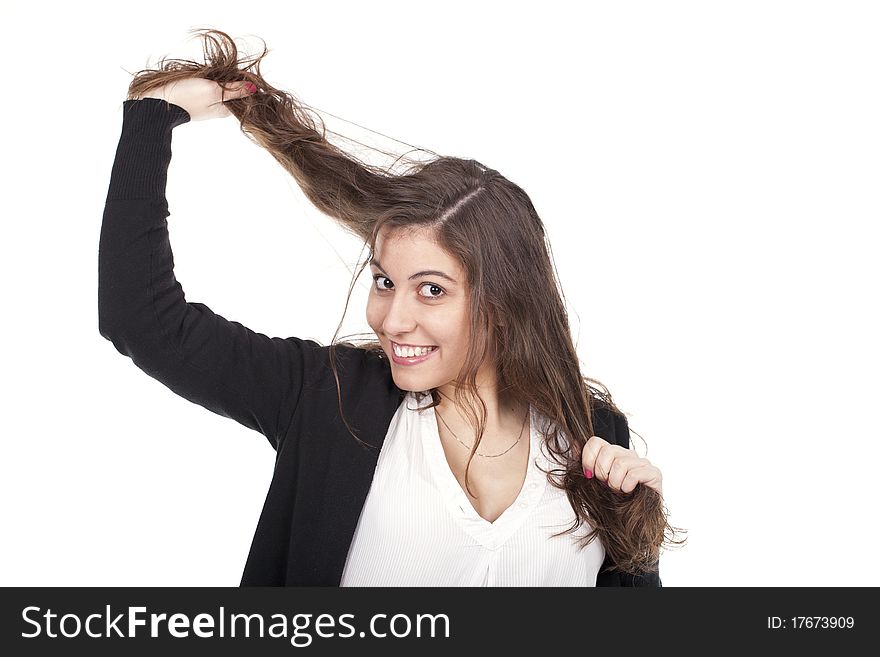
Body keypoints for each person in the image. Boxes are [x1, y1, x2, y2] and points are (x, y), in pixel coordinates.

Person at [99, 30, 683, 587]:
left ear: (506, 304)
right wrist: (155, 116)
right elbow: (141, 320)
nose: (391, 319)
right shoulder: (325, 399)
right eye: (384, 281)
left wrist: (639, 537)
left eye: (432, 289)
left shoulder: (593, 440)